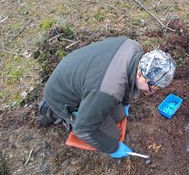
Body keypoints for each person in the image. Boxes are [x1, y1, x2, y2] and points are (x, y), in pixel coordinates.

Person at [37, 37, 176, 158]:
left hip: (82, 75)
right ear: (140, 74)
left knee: (119, 115)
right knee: (112, 136)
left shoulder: (133, 46)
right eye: (153, 87)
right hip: (63, 96)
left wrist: (125, 103)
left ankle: (90, 105)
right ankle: (52, 112)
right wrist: (113, 148)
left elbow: (126, 82)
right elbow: (83, 128)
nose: (152, 92)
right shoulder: (108, 91)